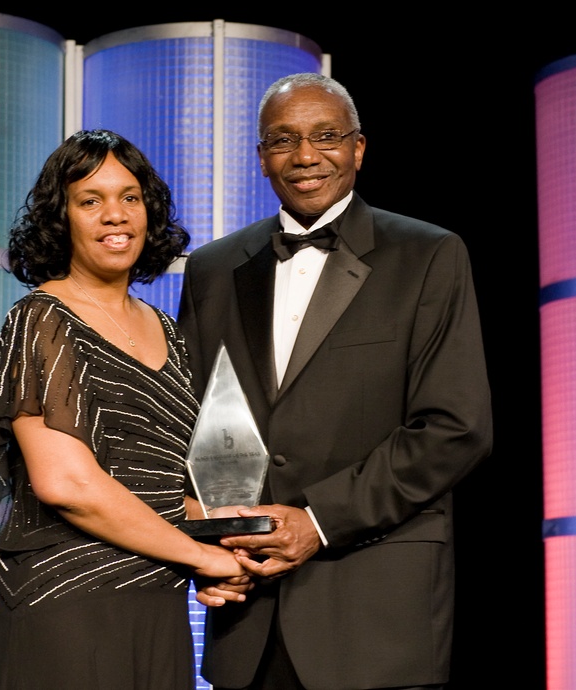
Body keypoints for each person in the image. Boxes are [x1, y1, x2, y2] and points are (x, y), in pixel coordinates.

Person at [177, 73, 493, 690]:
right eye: (283, 139)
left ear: (359, 148)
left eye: (326, 137)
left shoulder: (429, 254)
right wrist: (209, 541)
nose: (305, 156)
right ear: (261, 157)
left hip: (376, 619)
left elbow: (456, 427)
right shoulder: (214, 268)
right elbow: (199, 424)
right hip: (248, 616)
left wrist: (318, 520)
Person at [0, 129, 244, 690]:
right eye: (90, 201)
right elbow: (67, 483)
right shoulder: (41, 320)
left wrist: (223, 553)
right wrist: (202, 558)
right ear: (60, 219)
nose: (114, 215)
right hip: (63, 607)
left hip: (155, 606)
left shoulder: (168, 329)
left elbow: (163, 482)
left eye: (129, 197)